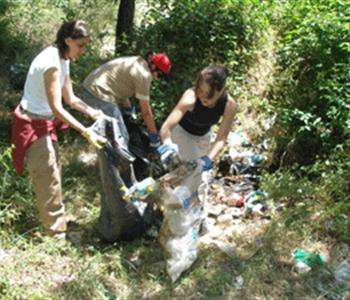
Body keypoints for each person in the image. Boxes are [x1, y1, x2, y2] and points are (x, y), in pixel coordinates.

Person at [11, 20, 107, 239]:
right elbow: (58, 107)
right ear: (68, 40)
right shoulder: (52, 63)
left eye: (86, 46)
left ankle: (55, 220)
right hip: (33, 122)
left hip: (45, 120)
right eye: (81, 45)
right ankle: (55, 233)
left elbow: (70, 98)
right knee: (47, 174)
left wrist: (93, 112)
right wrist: (86, 131)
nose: (84, 51)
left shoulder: (64, 58)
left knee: (54, 171)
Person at [158, 65, 237, 230]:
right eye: (200, 90)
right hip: (183, 133)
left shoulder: (229, 105)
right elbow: (166, 128)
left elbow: (221, 138)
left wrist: (208, 158)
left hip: (204, 136)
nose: (203, 96)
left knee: (204, 178)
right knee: (194, 176)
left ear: (221, 89)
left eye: (208, 94)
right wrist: (168, 146)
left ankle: (198, 219)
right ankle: (178, 221)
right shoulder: (190, 97)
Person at [81, 52, 172, 149]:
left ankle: (109, 158)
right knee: (121, 138)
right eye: (160, 75)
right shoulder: (144, 75)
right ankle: (122, 163)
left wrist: (128, 110)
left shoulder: (137, 62)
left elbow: (121, 86)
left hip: (92, 88)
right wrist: (154, 136)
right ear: (153, 67)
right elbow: (146, 112)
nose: (157, 78)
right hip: (98, 94)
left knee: (110, 134)